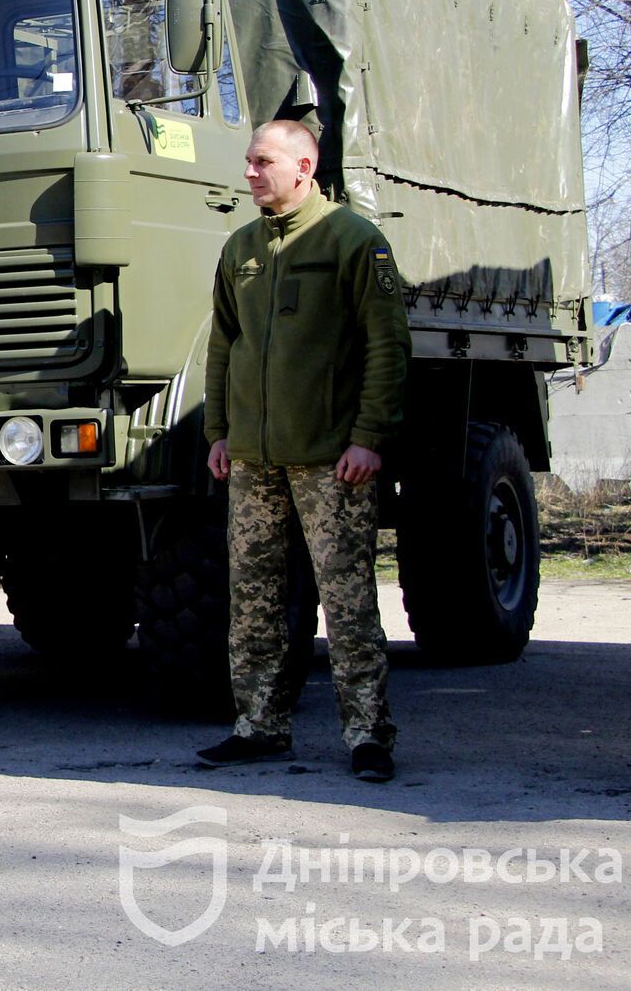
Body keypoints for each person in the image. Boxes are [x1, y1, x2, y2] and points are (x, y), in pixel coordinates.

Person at [197, 120, 411, 782]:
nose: (251, 172)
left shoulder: (352, 242)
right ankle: (259, 723)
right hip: (254, 459)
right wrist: (219, 431)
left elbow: (386, 345)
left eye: (263, 161)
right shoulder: (241, 250)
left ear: (304, 165)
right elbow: (223, 345)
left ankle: (367, 733)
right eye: (249, 161)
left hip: (330, 457)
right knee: (253, 597)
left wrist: (369, 438)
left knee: (347, 600)